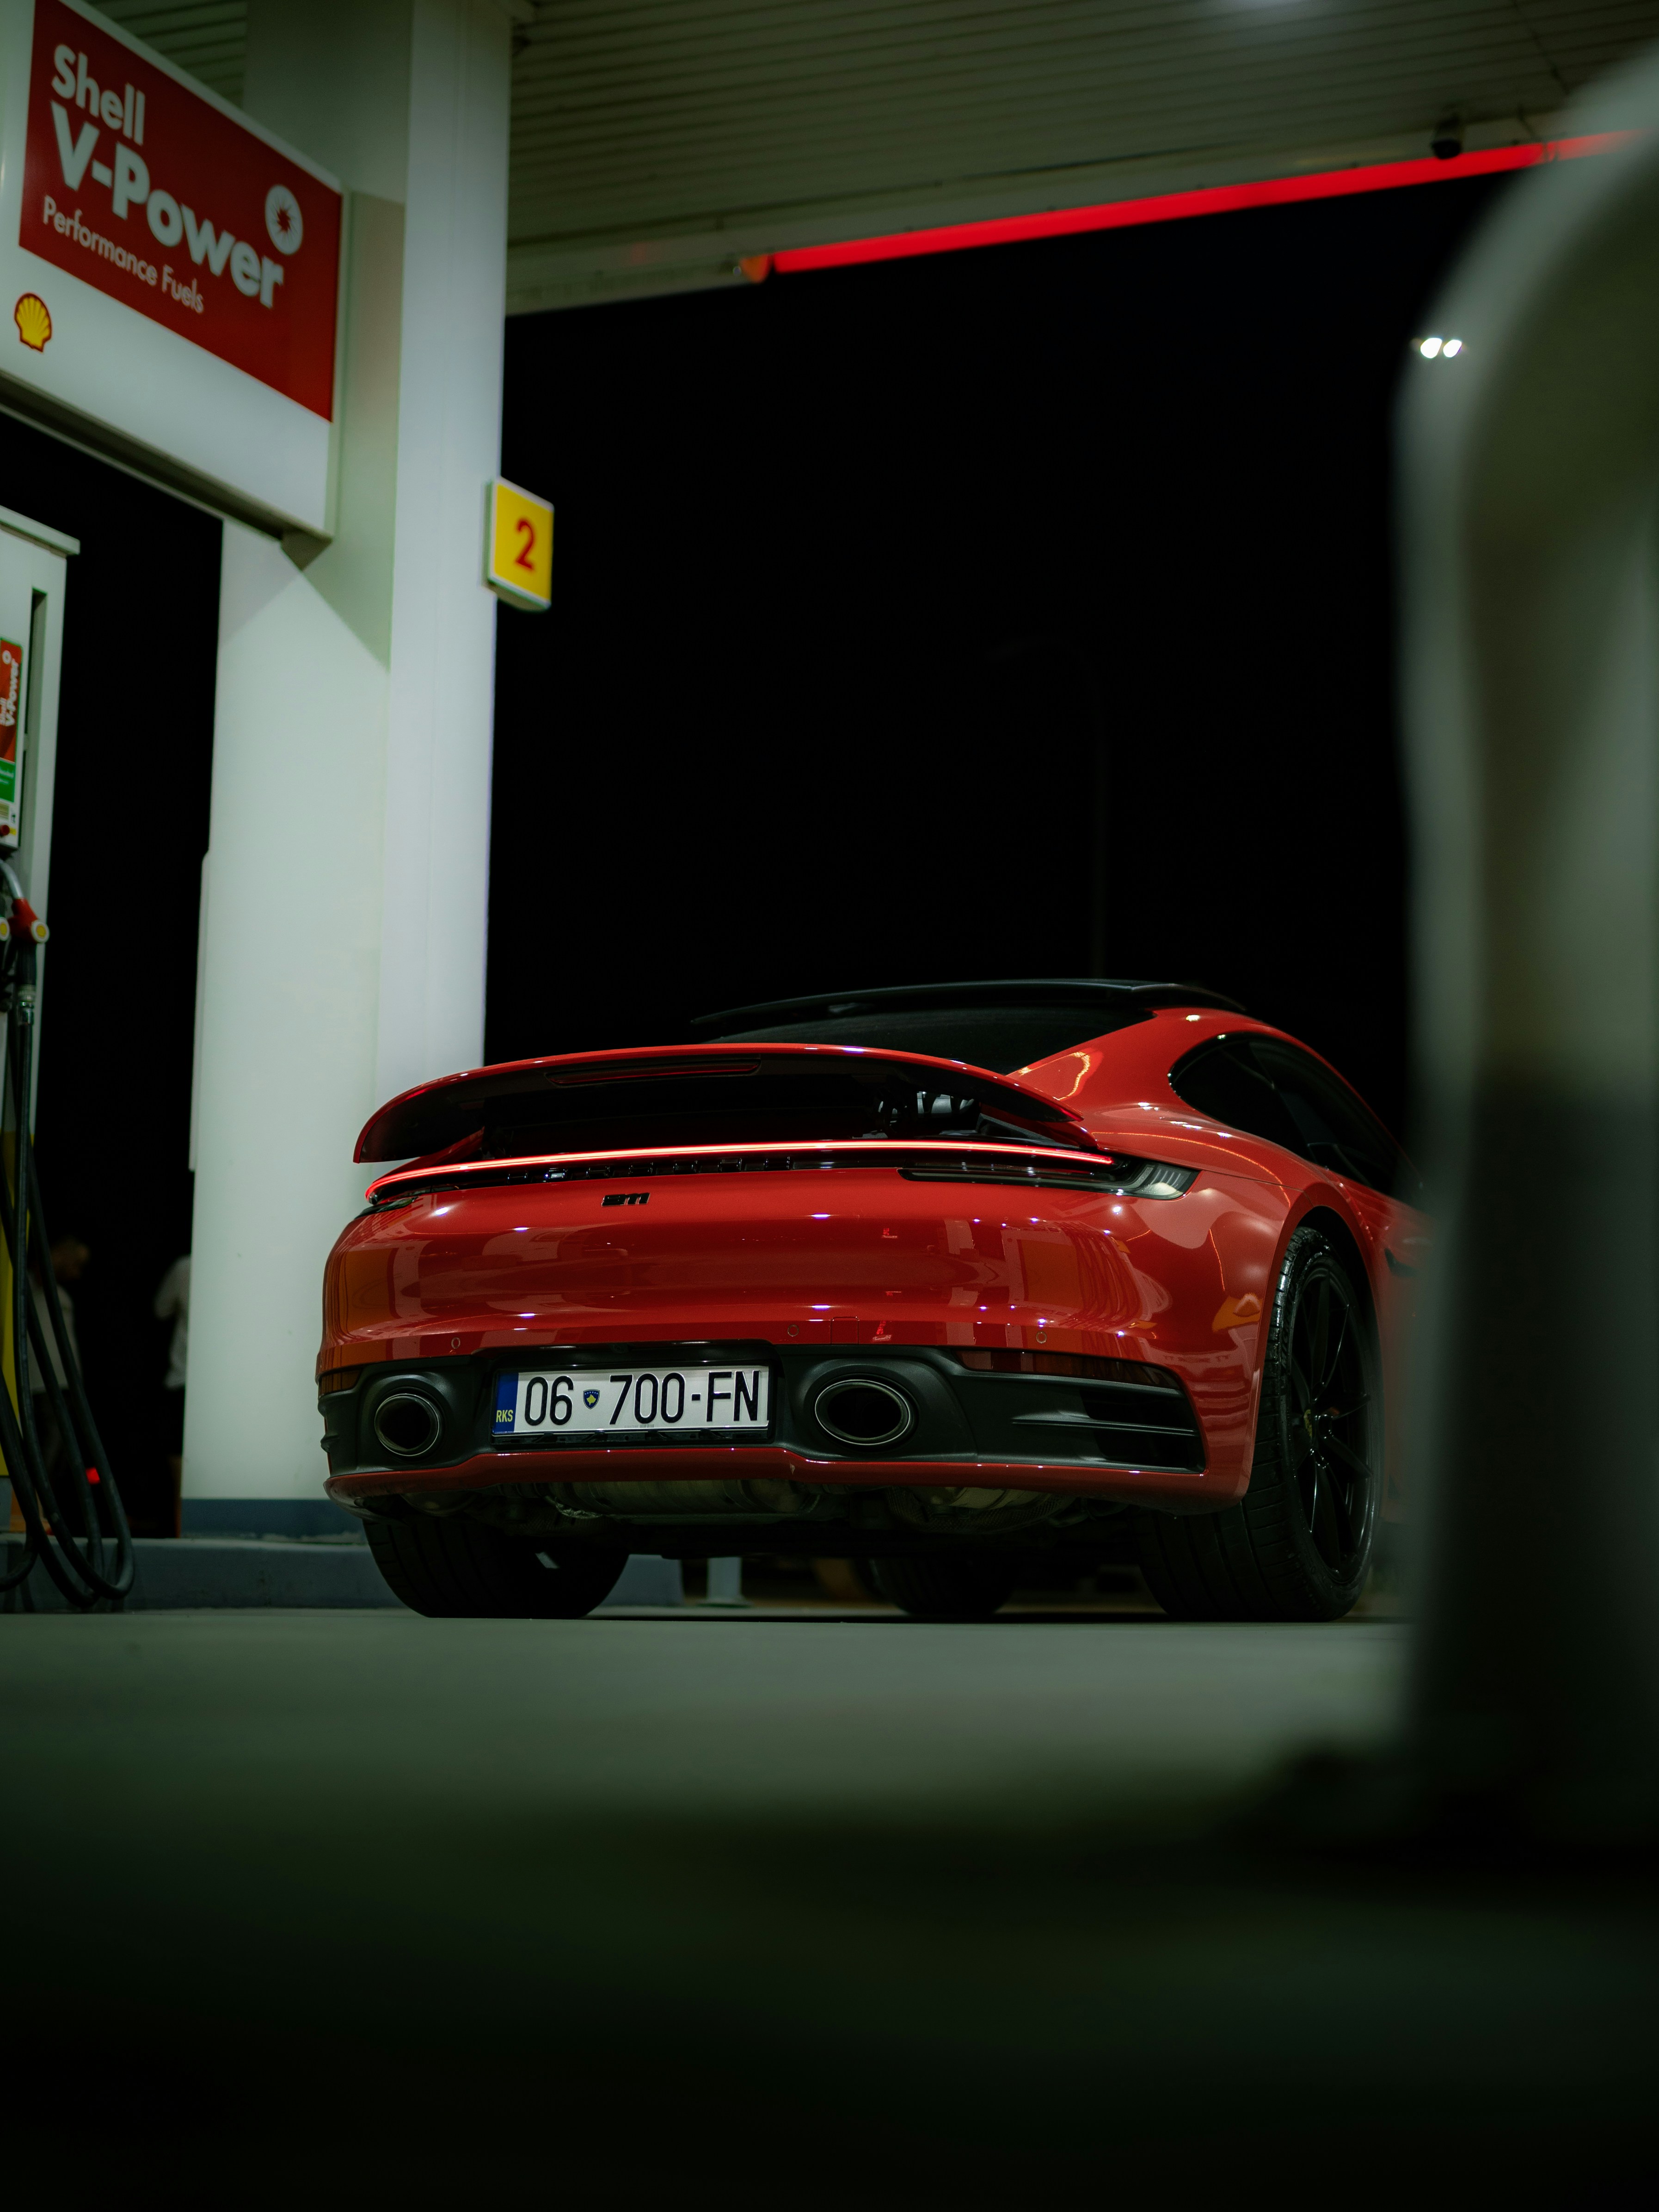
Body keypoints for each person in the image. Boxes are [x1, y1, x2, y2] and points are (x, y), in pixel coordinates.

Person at [154, 1254, 189, 1537]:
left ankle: (181, 1534)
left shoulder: (185, 1267)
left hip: (183, 1378)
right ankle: (182, 1533)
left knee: (179, 1472)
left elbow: (161, 1309)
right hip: (187, 1379)